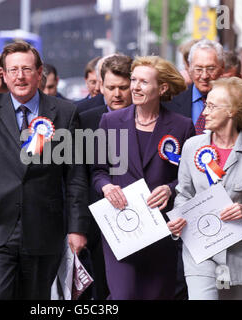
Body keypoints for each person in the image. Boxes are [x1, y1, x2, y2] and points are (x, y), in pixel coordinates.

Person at [0, 40, 89, 300]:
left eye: (27, 69)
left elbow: (75, 175)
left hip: (43, 226)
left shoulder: (64, 112)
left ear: (40, 72)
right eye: (13, 70)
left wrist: (77, 227)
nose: (20, 76)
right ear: (3, 75)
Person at [92, 56, 195, 299]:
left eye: (143, 82)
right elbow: (98, 171)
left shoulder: (182, 126)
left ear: (162, 88)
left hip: (161, 230)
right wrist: (106, 187)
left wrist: (171, 188)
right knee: (123, 295)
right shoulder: (110, 121)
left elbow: (189, 178)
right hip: (121, 226)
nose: (135, 87)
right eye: (134, 80)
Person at [168, 77, 242, 299]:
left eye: (211, 106)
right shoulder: (192, 146)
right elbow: (184, 193)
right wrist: (178, 217)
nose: (204, 112)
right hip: (201, 253)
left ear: (232, 111)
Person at [79, 54, 133, 300]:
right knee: (103, 291)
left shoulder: (147, 119)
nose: (117, 94)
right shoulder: (85, 119)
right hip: (98, 221)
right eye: (111, 88)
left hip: (142, 216)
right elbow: (77, 174)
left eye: (123, 87)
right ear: (100, 86)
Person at [165, 39, 242, 150]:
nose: (204, 75)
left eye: (211, 68)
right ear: (189, 69)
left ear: (222, 68)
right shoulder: (170, 102)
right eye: (198, 69)